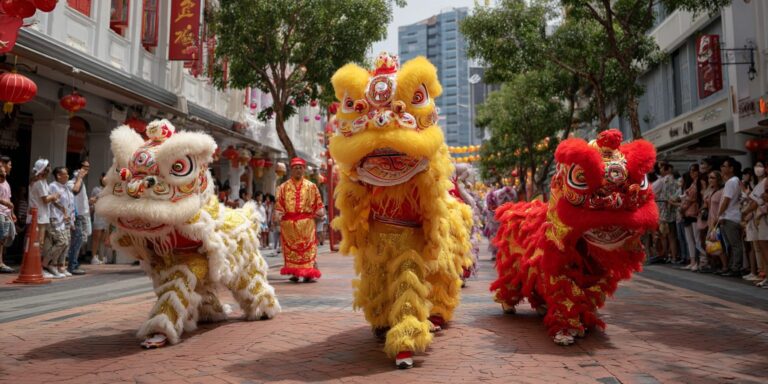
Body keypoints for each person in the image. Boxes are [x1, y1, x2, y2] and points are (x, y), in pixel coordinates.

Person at [274, 157, 325, 282]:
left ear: (304, 170)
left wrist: (320, 212)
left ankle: (308, 274)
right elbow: (279, 205)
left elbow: (318, 204)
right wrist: (277, 215)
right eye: (295, 168)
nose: (298, 170)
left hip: (307, 224)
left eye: (300, 168)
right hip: (289, 225)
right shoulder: (283, 187)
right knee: (291, 250)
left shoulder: (311, 186)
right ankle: (295, 273)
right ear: (291, 170)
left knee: (307, 248)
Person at [44, 166, 75, 278]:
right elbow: (54, 202)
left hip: (66, 220)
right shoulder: (53, 186)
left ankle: (59, 265)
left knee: (66, 243)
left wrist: (71, 219)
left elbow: (70, 204)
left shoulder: (66, 187)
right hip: (56, 218)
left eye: (68, 174)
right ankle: (47, 263)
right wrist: (63, 213)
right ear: (58, 175)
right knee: (61, 242)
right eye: (65, 174)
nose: (67, 176)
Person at [716, 158, 744, 277]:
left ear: (731, 168)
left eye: (724, 166)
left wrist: (719, 214)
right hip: (733, 215)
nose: (722, 168)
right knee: (733, 244)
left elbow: (726, 200)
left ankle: (735, 268)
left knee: (735, 244)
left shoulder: (731, 181)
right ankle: (733, 266)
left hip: (730, 217)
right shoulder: (736, 180)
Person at [65, 160, 90, 275]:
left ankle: (74, 262)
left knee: (81, 240)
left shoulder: (81, 182)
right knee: (77, 240)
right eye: (84, 167)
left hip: (82, 214)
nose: (87, 170)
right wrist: (79, 177)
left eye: (88, 168)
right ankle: (72, 265)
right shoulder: (72, 182)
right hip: (76, 215)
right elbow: (75, 191)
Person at [0, 157, 16, 273]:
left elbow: (8, 199)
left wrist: (12, 213)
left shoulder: (6, 183)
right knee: (1, 239)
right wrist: (4, 203)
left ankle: (1, 262)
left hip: (5, 214)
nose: (10, 167)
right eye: (9, 165)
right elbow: (5, 201)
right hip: (0, 213)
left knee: (3, 239)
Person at [90, 173, 108, 264]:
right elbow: (91, 201)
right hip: (98, 214)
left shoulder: (110, 190)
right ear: (101, 178)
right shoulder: (96, 189)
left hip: (107, 215)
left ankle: (102, 256)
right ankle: (93, 256)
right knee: (96, 236)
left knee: (104, 237)